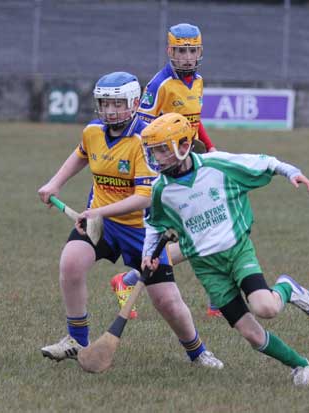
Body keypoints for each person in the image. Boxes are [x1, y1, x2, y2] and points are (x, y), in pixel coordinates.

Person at [38, 72, 223, 369]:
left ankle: (197, 351)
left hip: (143, 230)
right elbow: (82, 154)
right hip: (102, 224)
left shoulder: (145, 140)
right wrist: (55, 183)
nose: (110, 110)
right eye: (104, 103)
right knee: (71, 263)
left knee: (166, 302)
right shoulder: (93, 131)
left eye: (117, 104)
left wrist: (97, 212)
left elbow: (145, 197)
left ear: (135, 102)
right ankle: (77, 339)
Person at [140, 112, 309, 386]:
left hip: (237, 252)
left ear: (184, 146)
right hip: (207, 269)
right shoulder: (160, 190)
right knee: (252, 335)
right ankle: (301, 365)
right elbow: (153, 225)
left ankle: (286, 288)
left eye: (163, 149)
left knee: (265, 308)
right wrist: (148, 255)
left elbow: (264, 162)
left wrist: (291, 172)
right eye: (153, 151)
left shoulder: (217, 164)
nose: (157, 157)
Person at [112, 23, 222, 318]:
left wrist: (209, 148)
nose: (187, 57)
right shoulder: (160, 84)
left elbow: (194, 122)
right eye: (181, 51)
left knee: (208, 224)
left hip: (188, 162)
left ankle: (215, 299)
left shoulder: (197, 81)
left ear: (200, 51)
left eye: (192, 51)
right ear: (169, 51)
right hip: (167, 169)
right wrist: (160, 158)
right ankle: (131, 279)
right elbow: (142, 127)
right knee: (200, 228)